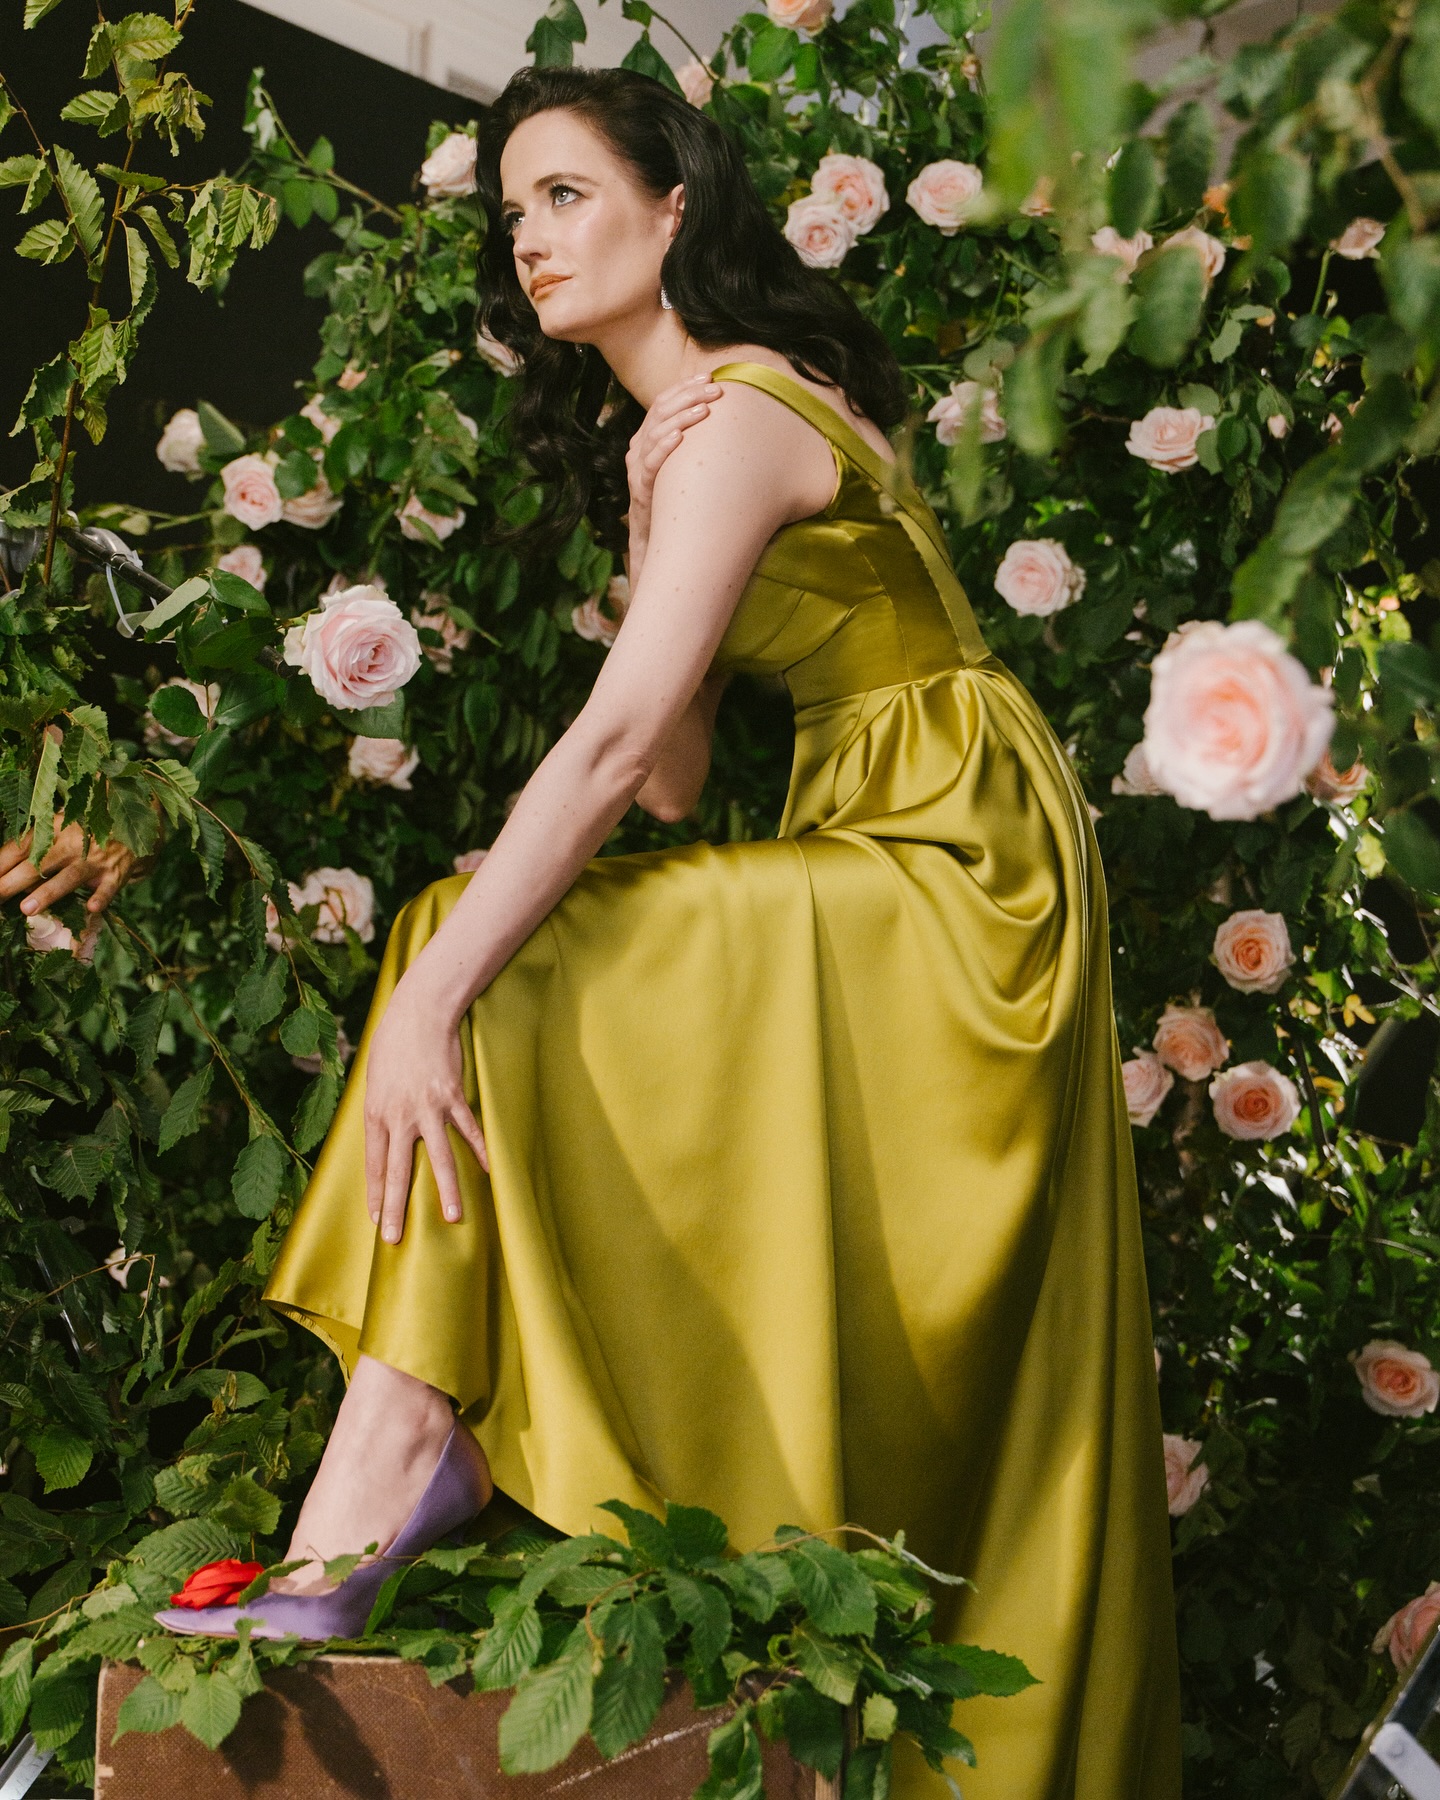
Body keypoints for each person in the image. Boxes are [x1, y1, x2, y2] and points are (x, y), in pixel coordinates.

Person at [48, 62, 1176, 1797]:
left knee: (472, 948)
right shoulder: (698, 438)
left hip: (960, 867)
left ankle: (393, 1455)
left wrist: (422, 1003)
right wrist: (646, 524)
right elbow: (673, 784)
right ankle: (400, 1443)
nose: (529, 237)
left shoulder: (737, 409)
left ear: (676, 208)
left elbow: (609, 750)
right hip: (901, 824)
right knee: (490, 943)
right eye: (513, 209)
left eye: (567, 194)